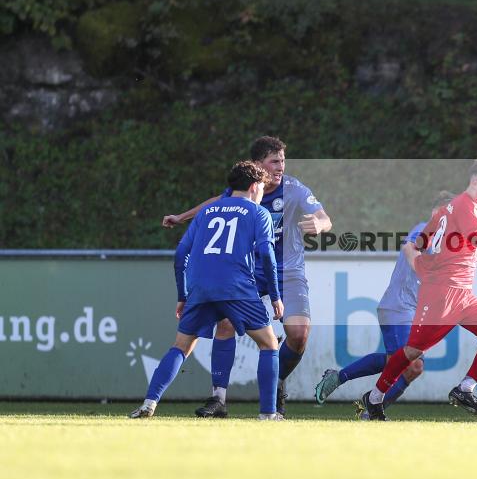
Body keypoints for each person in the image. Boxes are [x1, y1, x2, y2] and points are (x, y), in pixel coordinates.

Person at [162, 136, 331, 418]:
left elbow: (325, 217)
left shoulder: (294, 189)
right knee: (226, 323)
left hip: (288, 271)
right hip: (251, 270)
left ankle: (275, 380)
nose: (280, 166)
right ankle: (218, 398)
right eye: (274, 161)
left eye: (282, 161)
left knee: (299, 335)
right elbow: (216, 202)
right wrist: (182, 217)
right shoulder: (247, 188)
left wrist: (320, 224)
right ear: (258, 165)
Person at [359, 159, 477, 421]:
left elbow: (422, 240)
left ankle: (465, 388)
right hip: (442, 293)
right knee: (412, 352)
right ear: (475, 181)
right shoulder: (466, 206)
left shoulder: (449, 209)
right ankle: (373, 399)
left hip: (463, 294)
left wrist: (414, 253)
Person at [130, 161, 285, 420]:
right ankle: (268, 414)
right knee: (269, 344)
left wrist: (183, 295)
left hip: (200, 289)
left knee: (180, 347)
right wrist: (276, 295)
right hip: (238, 288)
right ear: (254, 186)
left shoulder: (208, 211)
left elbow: (181, 254)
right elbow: (267, 255)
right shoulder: (259, 214)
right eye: (262, 187)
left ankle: (149, 403)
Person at [313, 191, 456, 413]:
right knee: (411, 364)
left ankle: (351, 389)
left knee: (405, 365)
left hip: (414, 312)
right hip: (399, 307)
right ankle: (370, 408)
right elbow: (411, 249)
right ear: (435, 212)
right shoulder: (423, 229)